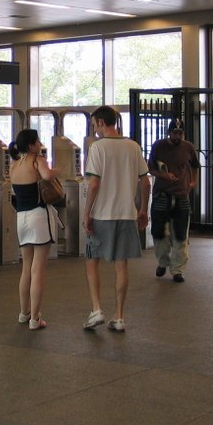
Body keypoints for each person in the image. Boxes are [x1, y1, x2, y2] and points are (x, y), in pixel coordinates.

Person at [82, 105, 151, 333]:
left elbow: (93, 184)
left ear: (101, 122)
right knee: (122, 266)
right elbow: (146, 182)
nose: (95, 129)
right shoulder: (133, 146)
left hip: (101, 214)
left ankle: (96, 309)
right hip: (126, 214)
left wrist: (86, 212)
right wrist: (143, 210)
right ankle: (119, 316)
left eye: (95, 125)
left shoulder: (97, 147)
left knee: (92, 261)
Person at [8, 128, 59, 330]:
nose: (40, 143)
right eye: (37, 141)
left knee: (26, 268)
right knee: (38, 270)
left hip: (21, 217)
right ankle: (35, 318)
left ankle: (24, 313)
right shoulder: (36, 160)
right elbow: (47, 176)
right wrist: (58, 171)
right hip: (38, 215)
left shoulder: (14, 165)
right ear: (31, 146)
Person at [147, 119, 200, 283]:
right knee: (159, 233)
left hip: (181, 196)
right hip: (161, 195)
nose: (178, 136)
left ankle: (177, 270)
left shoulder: (188, 147)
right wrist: (164, 175)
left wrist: (193, 182)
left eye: (180, 133)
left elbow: (195, 165)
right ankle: (163, 261)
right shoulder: (158, 146)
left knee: (180, 234)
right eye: (175, 133)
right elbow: (150, 168)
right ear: (168, 132)